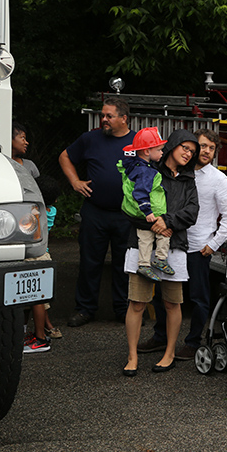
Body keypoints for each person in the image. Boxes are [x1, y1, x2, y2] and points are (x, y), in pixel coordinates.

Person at [138, 128, 227, 360]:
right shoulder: (175, 172)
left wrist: (213, 244)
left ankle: (193, 342)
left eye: (212, 148)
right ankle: (160, 337)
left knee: (198, 298)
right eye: (202, 146)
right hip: (169, 243)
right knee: (163, 293)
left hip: (198, 247)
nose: (207, 151)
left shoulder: (219, 179)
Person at [123, 129, 199, 376]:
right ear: (173, 145)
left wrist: (167, 221)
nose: (188, 154)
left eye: (192, 151)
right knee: (137, 303)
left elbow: (192, 212)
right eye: (185, 147)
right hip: (142, 243)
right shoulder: (149, 170)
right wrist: (154, 224)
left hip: (174, 245)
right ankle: (132, 356)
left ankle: (169, 353)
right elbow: (130, 203)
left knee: (172, 303)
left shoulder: (189, 180)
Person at [59, 98, 136, 326]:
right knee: (89, 262)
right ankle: (85, 309)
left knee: (125, 264)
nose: (104, 119)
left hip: (127, 215)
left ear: (124, 118)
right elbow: (65, 156)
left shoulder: (137, 141)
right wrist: (74, 181)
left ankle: (123, 310)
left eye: (109, 116)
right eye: (103, 115)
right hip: (95, 212)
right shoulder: (90, 139)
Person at [117, 127, 172, 282]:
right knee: (163, 233)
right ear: (147, 151)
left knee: (145, 238)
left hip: (137, 213)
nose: (162, 153)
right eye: (159, 150)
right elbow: (140, 192)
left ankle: (144, 264)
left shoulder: (134, 166)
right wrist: (148, 211)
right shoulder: (146, 172)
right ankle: (160, 259)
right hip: (149, 212)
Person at [23, 175, 63, 352]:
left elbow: (35, 234)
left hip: (36, 256)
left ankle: (40, 339)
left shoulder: (36, 212)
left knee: (37, 300)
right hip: (44, 254)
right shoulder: (51, 210)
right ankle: (37, 334)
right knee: (35, 300)